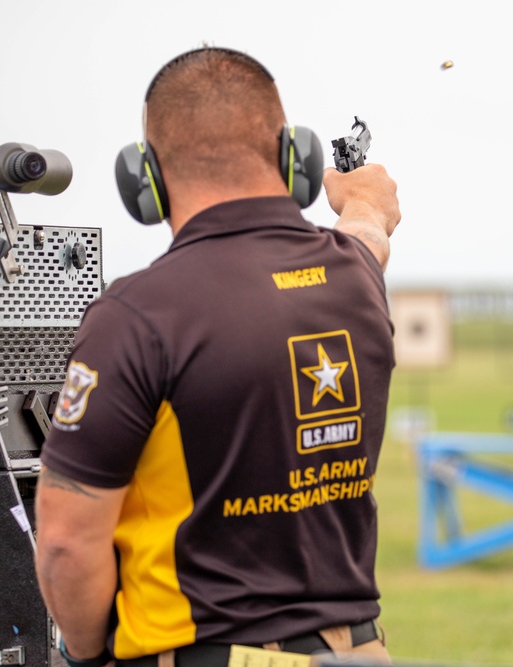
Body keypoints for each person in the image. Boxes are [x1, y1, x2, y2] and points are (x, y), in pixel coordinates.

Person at [34, 46, 400, 667]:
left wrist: (90, 655)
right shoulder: (355, 278)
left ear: (143, 178)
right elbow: (368, 233)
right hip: (359, 650)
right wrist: (365, 199)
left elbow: (68, 542)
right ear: (298, 159)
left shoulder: (138, 316)